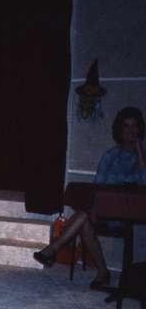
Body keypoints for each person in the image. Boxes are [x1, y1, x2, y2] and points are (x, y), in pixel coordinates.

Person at [34, 107, 146, 288]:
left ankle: (55, 249)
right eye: (126, 126)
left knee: (83, 215)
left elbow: (144, 185)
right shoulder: (111, 156)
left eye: (134, 126)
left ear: (140, 129)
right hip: (108, 212)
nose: (131, 130)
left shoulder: (144, 158)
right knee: (84, 216)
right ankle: (102, 272)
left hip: (134, 215)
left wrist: (140, 152)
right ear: (120, 130)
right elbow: (99, 185)